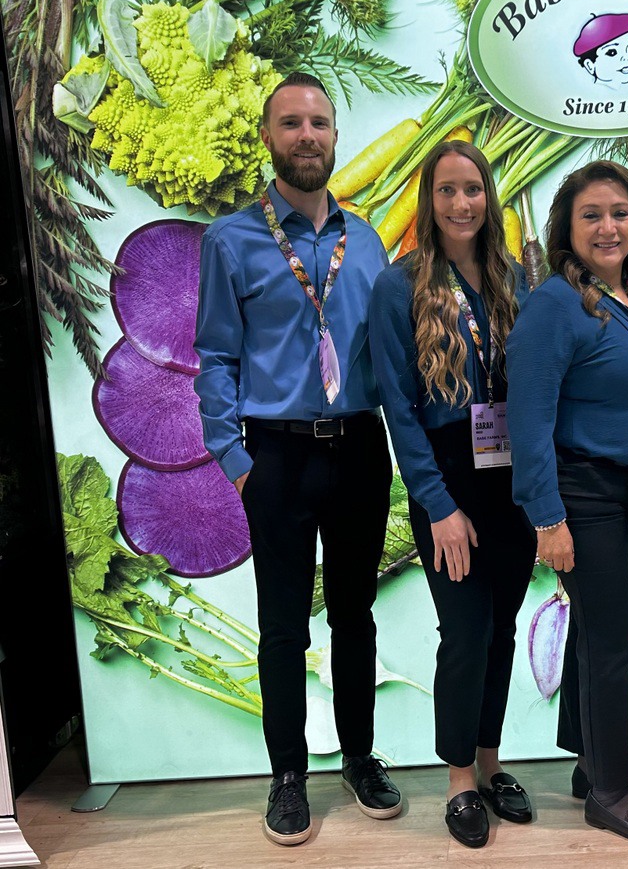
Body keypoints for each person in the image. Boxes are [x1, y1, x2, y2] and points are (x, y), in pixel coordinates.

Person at [194, 72, 401, 846]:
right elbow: (216, 355)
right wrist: (233, 455)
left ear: (336, 135)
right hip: (275, 455)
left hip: (359, 448)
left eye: (319, 122)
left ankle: (360, 757)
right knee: (284, 624)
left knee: (355, 615)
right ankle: (287, 775)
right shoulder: (230, 240)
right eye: (291, 123)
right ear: (268, 137)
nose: (307, 135)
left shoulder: (368, 239)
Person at [507, 160, 628, 846]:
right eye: (591, 215)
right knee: (612, 640)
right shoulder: (555, 304)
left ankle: (593, 763)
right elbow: (528, 420)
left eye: (620, 212)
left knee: (597, 631)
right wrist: (547, 517)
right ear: (568, 227)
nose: (608, 227)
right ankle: (612, 793)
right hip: (583, 493)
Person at [368, 140, 536, 848]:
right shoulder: (398, 286)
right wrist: (438, 505)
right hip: (448, 482)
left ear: (489, 197)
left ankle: (491, 762)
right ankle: (460, 778)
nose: (462, 203)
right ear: (428, 200)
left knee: (502, 629)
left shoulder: (515, 278)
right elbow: (398, 407)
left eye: (473, 189)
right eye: (447, 190)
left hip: (513, 482)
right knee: (465, 633)